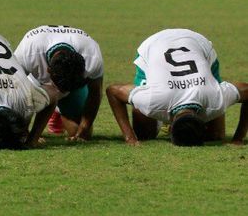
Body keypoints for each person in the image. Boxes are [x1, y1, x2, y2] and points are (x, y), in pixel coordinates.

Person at [106, 28, 248, 146]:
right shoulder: (153, 100)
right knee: (144, 134)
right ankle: (150, 117)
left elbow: (112, 90)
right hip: (153, 45)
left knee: (215, 136)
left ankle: (155, 117)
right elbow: (113, 92)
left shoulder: (215, 98)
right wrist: (130, 137)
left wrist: (238, 138)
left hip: (196, 44)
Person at [13, 25, 104, 141]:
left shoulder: (91, 55)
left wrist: (84, 128)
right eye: (61, 87)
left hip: (73, 88)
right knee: (16, 133)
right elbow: (14, 89)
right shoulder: (29, 51)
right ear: (48, 70)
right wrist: (25, 133)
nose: (62, 91)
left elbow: (95, 93)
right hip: (36, 83)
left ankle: (57, 110)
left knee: (80, 134)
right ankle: (50, 107)